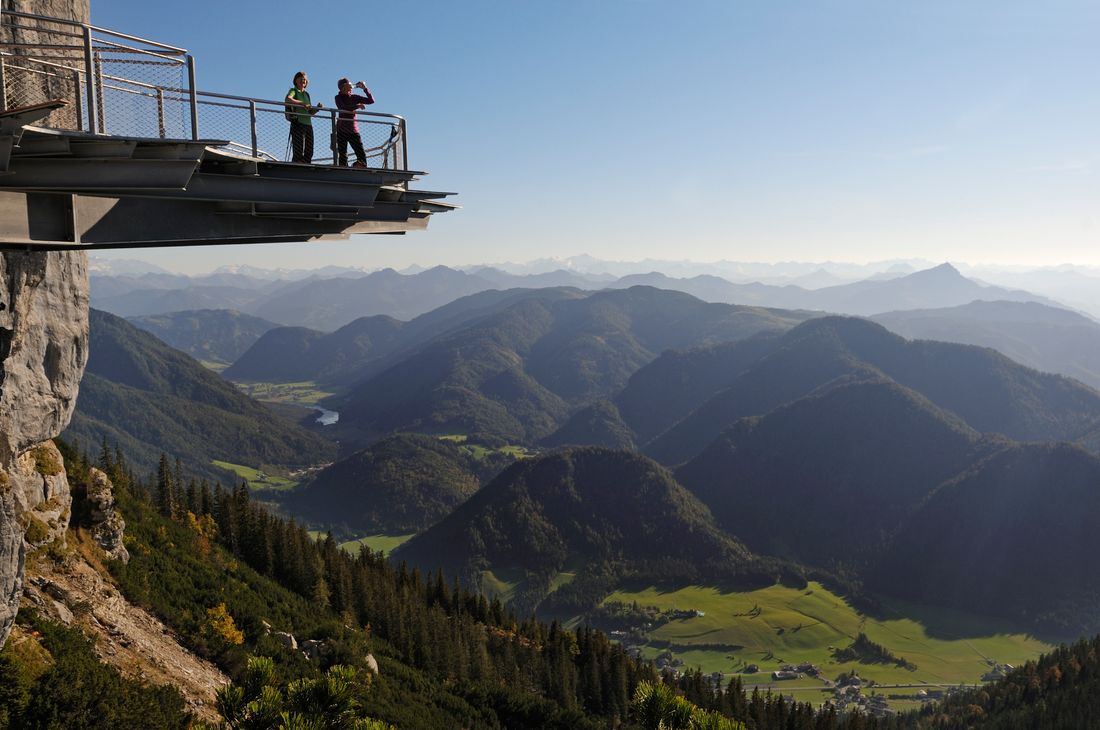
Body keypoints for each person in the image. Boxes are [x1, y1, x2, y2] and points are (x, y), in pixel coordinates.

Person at [333, 77, 375, 167]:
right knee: (343, 156)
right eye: (349, 84)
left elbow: (371, 100)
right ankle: (343, 170)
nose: (351, 85)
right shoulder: (338, 97)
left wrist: (365, 88)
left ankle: (357, 166)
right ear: (343, 86)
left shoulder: (354, 97)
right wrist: (357, 106)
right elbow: (343, 108)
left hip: (353, 130)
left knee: (361, 155)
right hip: (342, 130)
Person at [285, 71, 322, 163]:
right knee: (298, 149)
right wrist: (302, 103)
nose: (303, 80)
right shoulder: (293, 90)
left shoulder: (307, 94)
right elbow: (288, 99)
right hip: (298, 122)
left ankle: (307, 164)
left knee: (309, 150)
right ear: (295, 81)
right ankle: (297, 165)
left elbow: (309, 112)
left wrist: (317, 109)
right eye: (301, 78)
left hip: (308, 124)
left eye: (305, 79)